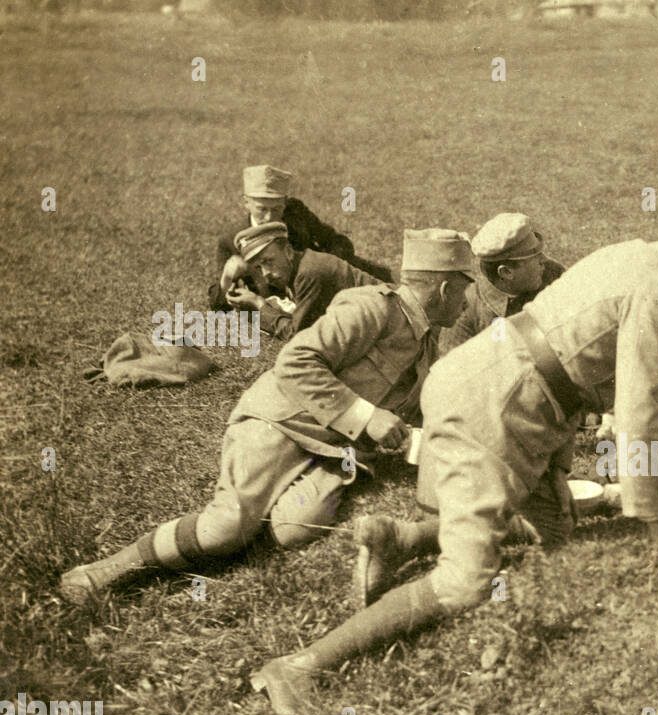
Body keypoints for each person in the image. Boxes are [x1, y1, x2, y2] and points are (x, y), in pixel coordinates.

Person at [247, 195, 658, 715]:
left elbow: (566, 358)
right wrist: (656, 518)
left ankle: (401, 539)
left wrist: (557, 469)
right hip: (492, 408)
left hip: (499, 384)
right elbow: (638, 413)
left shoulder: (630, 253)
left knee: (556, 529)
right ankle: (299, 666)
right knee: (464, 584)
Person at [60, 229, 473, 604]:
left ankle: (258, 511)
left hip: (329, 445)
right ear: (442, 288)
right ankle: (101, 573)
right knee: (227, 528)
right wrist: (366, 417)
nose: (466, 301)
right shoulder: (373, 309)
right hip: (279, 420)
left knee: (297, 529)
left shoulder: (424, 335)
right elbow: (295, 361)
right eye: (464, 289)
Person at [207, 165, 392, 312]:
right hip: (290, 301)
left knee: (388, 285)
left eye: (277, 209)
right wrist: (227, 278)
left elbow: (337, 241)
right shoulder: (231, 239)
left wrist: (326, 267)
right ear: (246, 202)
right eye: (262, 209)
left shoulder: (295, 213)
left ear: (285, 202)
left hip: (320, 282)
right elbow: (217, 304)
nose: (270, 217)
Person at [224, 222, 380, 344]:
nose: (265, 274)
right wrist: (249, 308)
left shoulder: (308, 273)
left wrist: (258, 304)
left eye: (269, 261)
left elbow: (297, 336)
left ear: (288, 251)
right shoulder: (297, 266)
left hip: (390, 317)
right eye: (258, 267)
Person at [437, 212, 566, 357]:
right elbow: (455, 370)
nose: (544, 259)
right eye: (534, 257)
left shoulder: (550, 273)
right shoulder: (463, 311)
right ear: (506, 273)